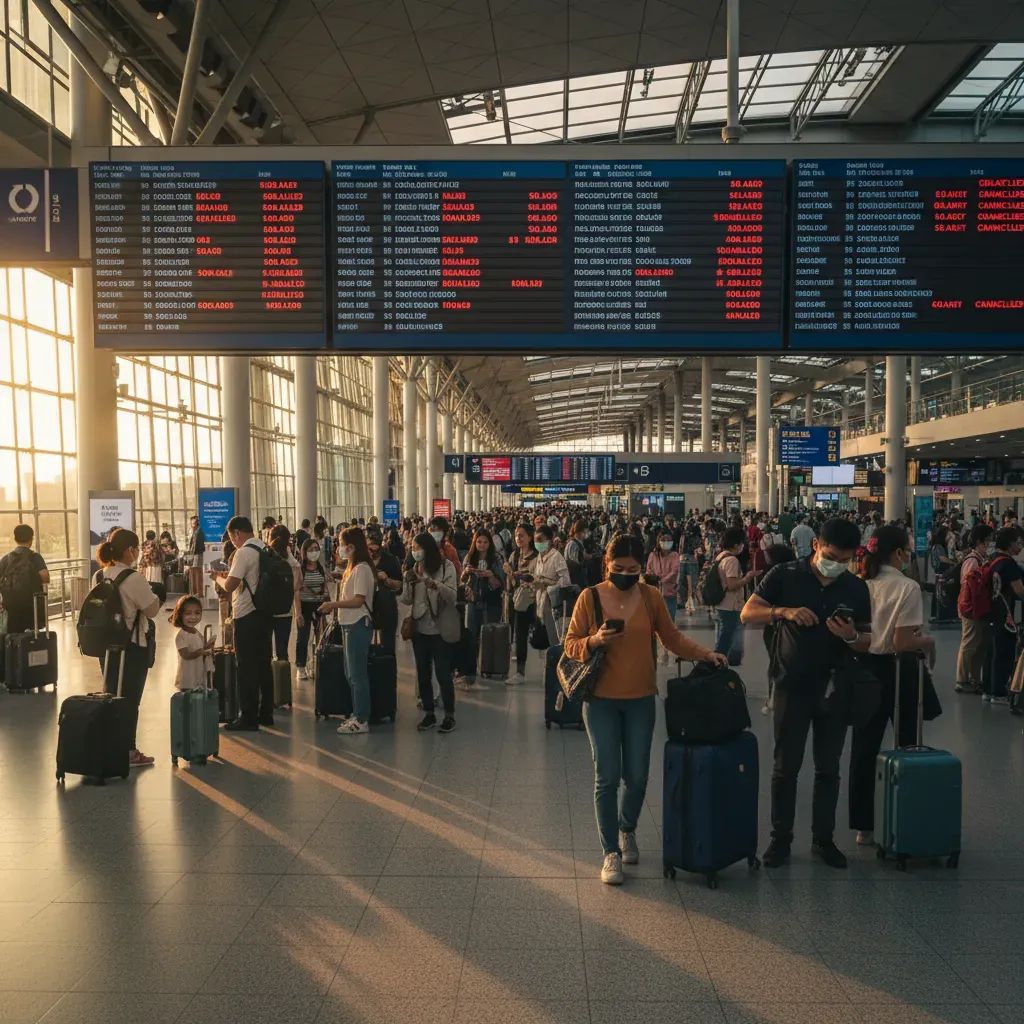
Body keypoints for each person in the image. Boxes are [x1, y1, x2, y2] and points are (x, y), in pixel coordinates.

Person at [563, 532, 727, 885]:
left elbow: (672, 638)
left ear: (642, 568)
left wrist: (705, 654)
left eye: (632, 569)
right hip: (601, 700)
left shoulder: (650, 597)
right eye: (618, 568)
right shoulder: (589, 598)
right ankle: (610, 851)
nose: (624, 574)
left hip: (640, 698)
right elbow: (571, 645)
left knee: (636, 776)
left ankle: (627, 827)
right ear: (607, 565)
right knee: (606, 777)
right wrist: (594, 641)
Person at [741, 516, 872, 870]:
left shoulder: (855, 589)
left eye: (845, 560)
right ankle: (780, 840)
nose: (837, 565)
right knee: (786, 767)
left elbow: (867, 639)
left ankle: (823, 839)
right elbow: (748, 612)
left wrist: (849, 636)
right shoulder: (786, 574)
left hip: (835, 687)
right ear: (816, 545)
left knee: (828, 768)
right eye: (831, 555)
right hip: (791, 685)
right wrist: (783, 611)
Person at [849, 525, 935, 847]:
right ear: (898, 553)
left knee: (863, 748)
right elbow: (902, 641)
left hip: (867, 670)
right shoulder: (908, 587)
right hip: (901, 672)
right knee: (908, 745)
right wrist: (928, 642)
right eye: (907, 550)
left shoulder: (861, 584)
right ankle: (906, 817)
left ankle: (863, 827)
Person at [96, 529, 160, 767]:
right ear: (129, 550)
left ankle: (111, 745)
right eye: (136, 549)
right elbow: (152, 610)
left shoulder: (101, 575)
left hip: (107, 646)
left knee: (111, 694)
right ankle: (129, 751)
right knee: (130, 700)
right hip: (132, 646)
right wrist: (157, 597)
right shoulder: (133, 578)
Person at [316, 527, 377, 734]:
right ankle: (356, 713)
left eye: (342, 545)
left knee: (357, 674)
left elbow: (359, 600)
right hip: (348, 624)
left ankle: (362, 718)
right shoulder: (352, 567)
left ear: (351, 546)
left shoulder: (362, 569)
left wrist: (333, 605)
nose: (339, 549)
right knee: (350, 672)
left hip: (358, 624)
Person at [217, 516, 275, 731]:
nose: (233, 542)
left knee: (246, 667)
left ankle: (248, 717)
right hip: (265, 613)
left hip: (246, 615)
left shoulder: (243, 552)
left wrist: (217, 578)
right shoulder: (265, 548)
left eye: (232, 538)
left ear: (237, 533)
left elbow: (230, 586)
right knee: (263, 664)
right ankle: (266, 713)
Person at [400, 532, 459, 732]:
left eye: (417, 547)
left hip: (440, 628)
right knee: (423, 674)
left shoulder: (446, 567)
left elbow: (452, 596)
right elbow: (406, 600)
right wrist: (407, 583)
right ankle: (429, 713)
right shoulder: (414, 568)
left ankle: (449, 715)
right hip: (420, 628)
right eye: (412, 548)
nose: (414, 551)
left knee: (443, 674)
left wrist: (431, 583)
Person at [459, 529, 506, 688]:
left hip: (491, 602)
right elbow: (462, 580)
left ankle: (489, 668)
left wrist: (490, 575)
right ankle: (470, 671)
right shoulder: (469, 557)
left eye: (485, 542)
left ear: (490, 543)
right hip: (473, 601)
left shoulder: (496, 559)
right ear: (475, 542)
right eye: (479, 542)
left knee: (489, 635)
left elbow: (501, 583)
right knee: (471, 637)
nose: (482, 545)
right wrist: (466, 572)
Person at [983, 527, 1024, 707]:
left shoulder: (993, 559)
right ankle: (998, 692)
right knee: (1004, 653)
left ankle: (988, 689)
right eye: (1018, 541)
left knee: (992, 652)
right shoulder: (1009, 564)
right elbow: (1019, 591)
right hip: (1005, 613)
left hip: (991, 611)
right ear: (1010, 543)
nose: (1020, 545)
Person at [954, 523, 994, 695]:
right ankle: (961, 680)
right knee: (969, 644)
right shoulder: (972, 561)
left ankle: (975, 679)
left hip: (978, 609)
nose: (990, 544)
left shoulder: (980, 559)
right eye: (988, 541)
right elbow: (968, 586)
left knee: (978, 646)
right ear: (979, 542)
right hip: (971, 609)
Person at [714, 526, 755, 665]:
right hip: (730, 604)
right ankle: (718, 662)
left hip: (721, 603)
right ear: (736, 544)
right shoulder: (732, 560)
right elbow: (731, 585)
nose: (743, 546)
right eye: (742, 543)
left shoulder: (721, 556)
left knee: (724, 633)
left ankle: (727, 659)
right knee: (726, 636)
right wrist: (747, 578)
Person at [0, 524, 50, 635]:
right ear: (31, 539)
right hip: (32, 607)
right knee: (31, 639)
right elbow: (45, 577)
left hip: (11, 608)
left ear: (15, 539)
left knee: (13, 638)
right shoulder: (35, 557)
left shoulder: (6, 559)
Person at [504, 524, 539, 683]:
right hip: (518, 599)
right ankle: (520, 671)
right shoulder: (515, 555)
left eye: (522, 535)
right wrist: (511, 574)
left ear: (530, 537)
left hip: (533, 598)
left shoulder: (537, 557)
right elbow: (511, 581)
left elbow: (538, 578)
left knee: (530, 631)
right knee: (520, 633)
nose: (518, 538)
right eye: (517, 535)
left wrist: (524, 577)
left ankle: (521, 670)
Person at [365, 526, 403, 660]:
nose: (373, 551)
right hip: (365, 608)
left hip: (386, 608)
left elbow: (400, 586)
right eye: (370, 547)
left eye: (376, 547)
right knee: (364, 647)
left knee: (388, 646)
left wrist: (387, 579)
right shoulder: (361, 560)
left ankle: (387, 672)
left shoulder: (390, 559)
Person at [294, 537, 328, 678]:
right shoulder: (300, 569)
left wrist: (327, 599)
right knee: (303, 637)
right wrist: (298, 612)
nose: (314, 552)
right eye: (310, 549)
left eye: (316, 549)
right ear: (304, 552)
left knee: (320, 637)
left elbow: (324, 586)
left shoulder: (321, 567)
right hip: (305, 605)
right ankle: (301, 667)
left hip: (320, 605)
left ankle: (316, 664)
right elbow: (296, 592)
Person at [532, 524, 571, 645]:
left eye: (540, 540)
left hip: (553, 603)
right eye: (535, 540)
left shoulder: (556, 557)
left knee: (555, 637)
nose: (537, 543)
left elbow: (565, 580)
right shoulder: (539, 556)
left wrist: (548, 583)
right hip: (540, 601)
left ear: (549, 540)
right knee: (545, 637)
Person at [268, 525, 301, 666]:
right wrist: (298, 613)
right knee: (282, 652)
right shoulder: (293, 563)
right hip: (285, 612)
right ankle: (283, 685)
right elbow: (297, 588)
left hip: (266, 611)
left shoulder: (266, 557)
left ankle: (268, 685)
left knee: (266, 652)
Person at [171, 595, 214, 691]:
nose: (193, 617)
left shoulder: (196, 632)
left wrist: (209, 646)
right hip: (186, 679)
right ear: (180, 614)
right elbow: (185, 654)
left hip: (198, 677)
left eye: (197, 613)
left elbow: (202, 647)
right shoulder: (181, 635)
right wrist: (199, 652)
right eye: (188, 613)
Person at [185, 515, 206, 595]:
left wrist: (192, 556)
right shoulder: (195, 532)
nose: (191, 525)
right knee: (193, 573)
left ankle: (198, 593)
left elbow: (199, 546)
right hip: (194, 555)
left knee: (197, 574)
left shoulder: (199, 532)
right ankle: (194, 593)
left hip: (197, 555)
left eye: (192, 523)